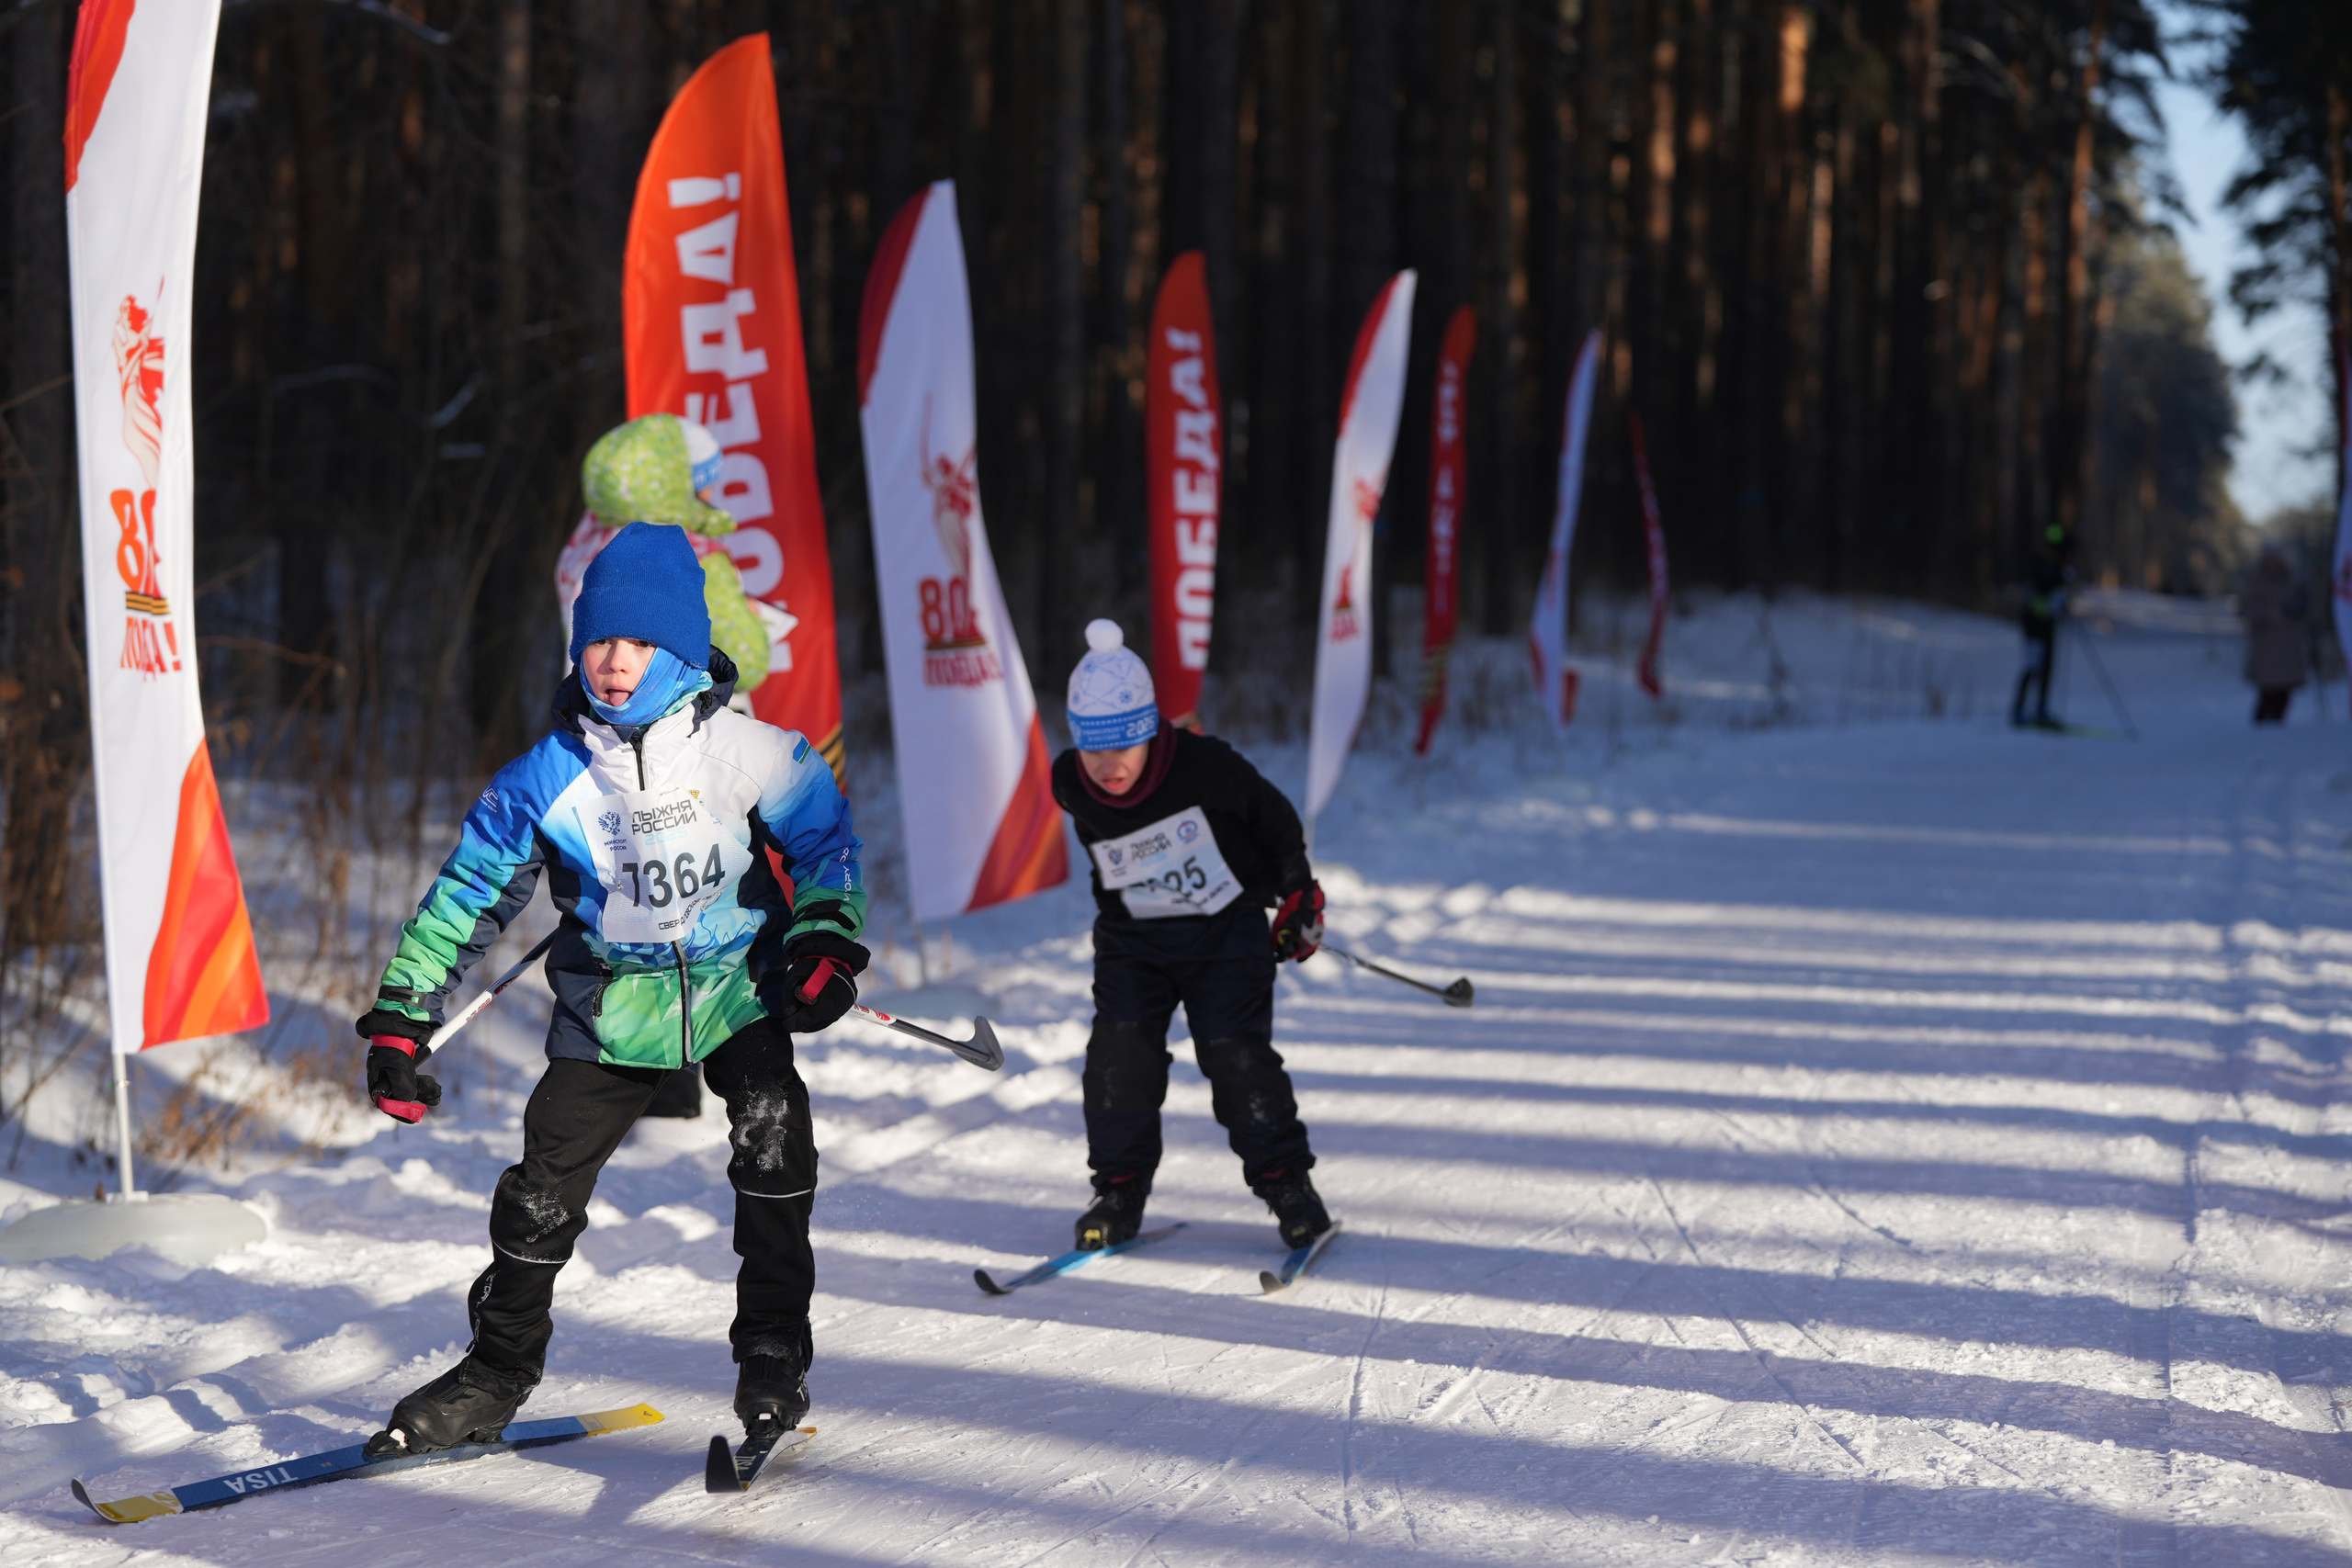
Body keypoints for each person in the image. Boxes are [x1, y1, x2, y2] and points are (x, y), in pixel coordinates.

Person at [354, 519, 868, 1458]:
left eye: (637, 641)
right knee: (538, 1191)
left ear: (677, 647)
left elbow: (825, 846)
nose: (614, 660)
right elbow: (467, 896)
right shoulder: (545, 778)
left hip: (738, 991)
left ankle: (770, 1356)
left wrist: (825, 943)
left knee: (772, 1141)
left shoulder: (752, 752)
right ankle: (495, 1372)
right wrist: (401, 1019)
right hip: (610, 1008)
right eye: (597, 639)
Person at [1048, 619, 1332, 1254]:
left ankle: (1288, 1185)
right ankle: (1118, 1189)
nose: (1108, 765)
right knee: (1119, 1058)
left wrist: (1297, 892)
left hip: (1224, 932)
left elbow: (1275, 818)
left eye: (1123, 744)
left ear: (1149, 729)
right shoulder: (1070, 782)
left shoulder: (1206, 767)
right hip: (1133, 940)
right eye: (1093, 748)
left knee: (1235, 1055)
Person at [2012, 526, 2075, 729]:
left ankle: (2040, 708)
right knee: (2032, 665)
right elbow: (2035, 597)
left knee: (2046, 666)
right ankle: (2020, 710)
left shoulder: (2057, 568)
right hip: (2034, 625)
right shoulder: (2045, 566)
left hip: (2046, 626)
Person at [2241, 547, 2309, 725]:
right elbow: (2246, 609)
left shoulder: (2292, 580)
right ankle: (2261, 727)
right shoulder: (2257, 582)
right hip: (2267, 645)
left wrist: (2297, 609)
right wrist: (2269, 614)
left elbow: (2303, 605)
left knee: (2284, 692)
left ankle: (2278, 726)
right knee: (2268, 691)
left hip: (2288, 644)